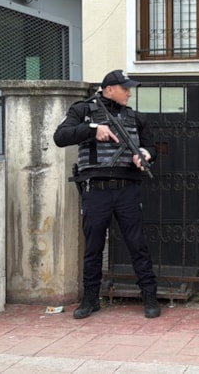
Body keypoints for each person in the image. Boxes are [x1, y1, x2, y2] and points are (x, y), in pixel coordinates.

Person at [53, 69, 161, 320]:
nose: (129, 93)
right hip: (96, 190)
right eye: (125, 88)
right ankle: (91, 299)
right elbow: (60, 136)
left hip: (127, 189)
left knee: (137, 245)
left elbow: (152, 146)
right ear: (109, 89)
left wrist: (145, 155)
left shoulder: (136, 117)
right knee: (93, 248)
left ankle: (149, 296)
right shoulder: (82, 110)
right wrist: (92, 130)